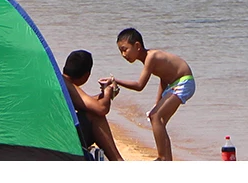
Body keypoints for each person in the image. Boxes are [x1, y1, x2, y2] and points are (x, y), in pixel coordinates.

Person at [114, 28, 194, 161]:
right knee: (158, 120)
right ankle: (167, 159)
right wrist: (158, 102)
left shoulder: (151, 57)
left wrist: (115, 80)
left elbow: (139, 86)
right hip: (174, 83)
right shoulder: (149, 59)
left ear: (137, 46)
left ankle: (162, 158)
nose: (123, 54)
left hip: (184, 82)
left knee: (155, 116)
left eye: (125, 49)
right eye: (120, 51)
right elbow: (164, 77)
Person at [61, 50, 123, 161]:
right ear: (87, 75)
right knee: (95, 116)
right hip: (61, 138)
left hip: (49, 133)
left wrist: (105, 96)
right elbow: (101, 109)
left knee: (92, 111)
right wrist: (108, 91)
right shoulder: (65, 84)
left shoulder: (58, 80)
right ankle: (117, 160)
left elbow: (83, 102)